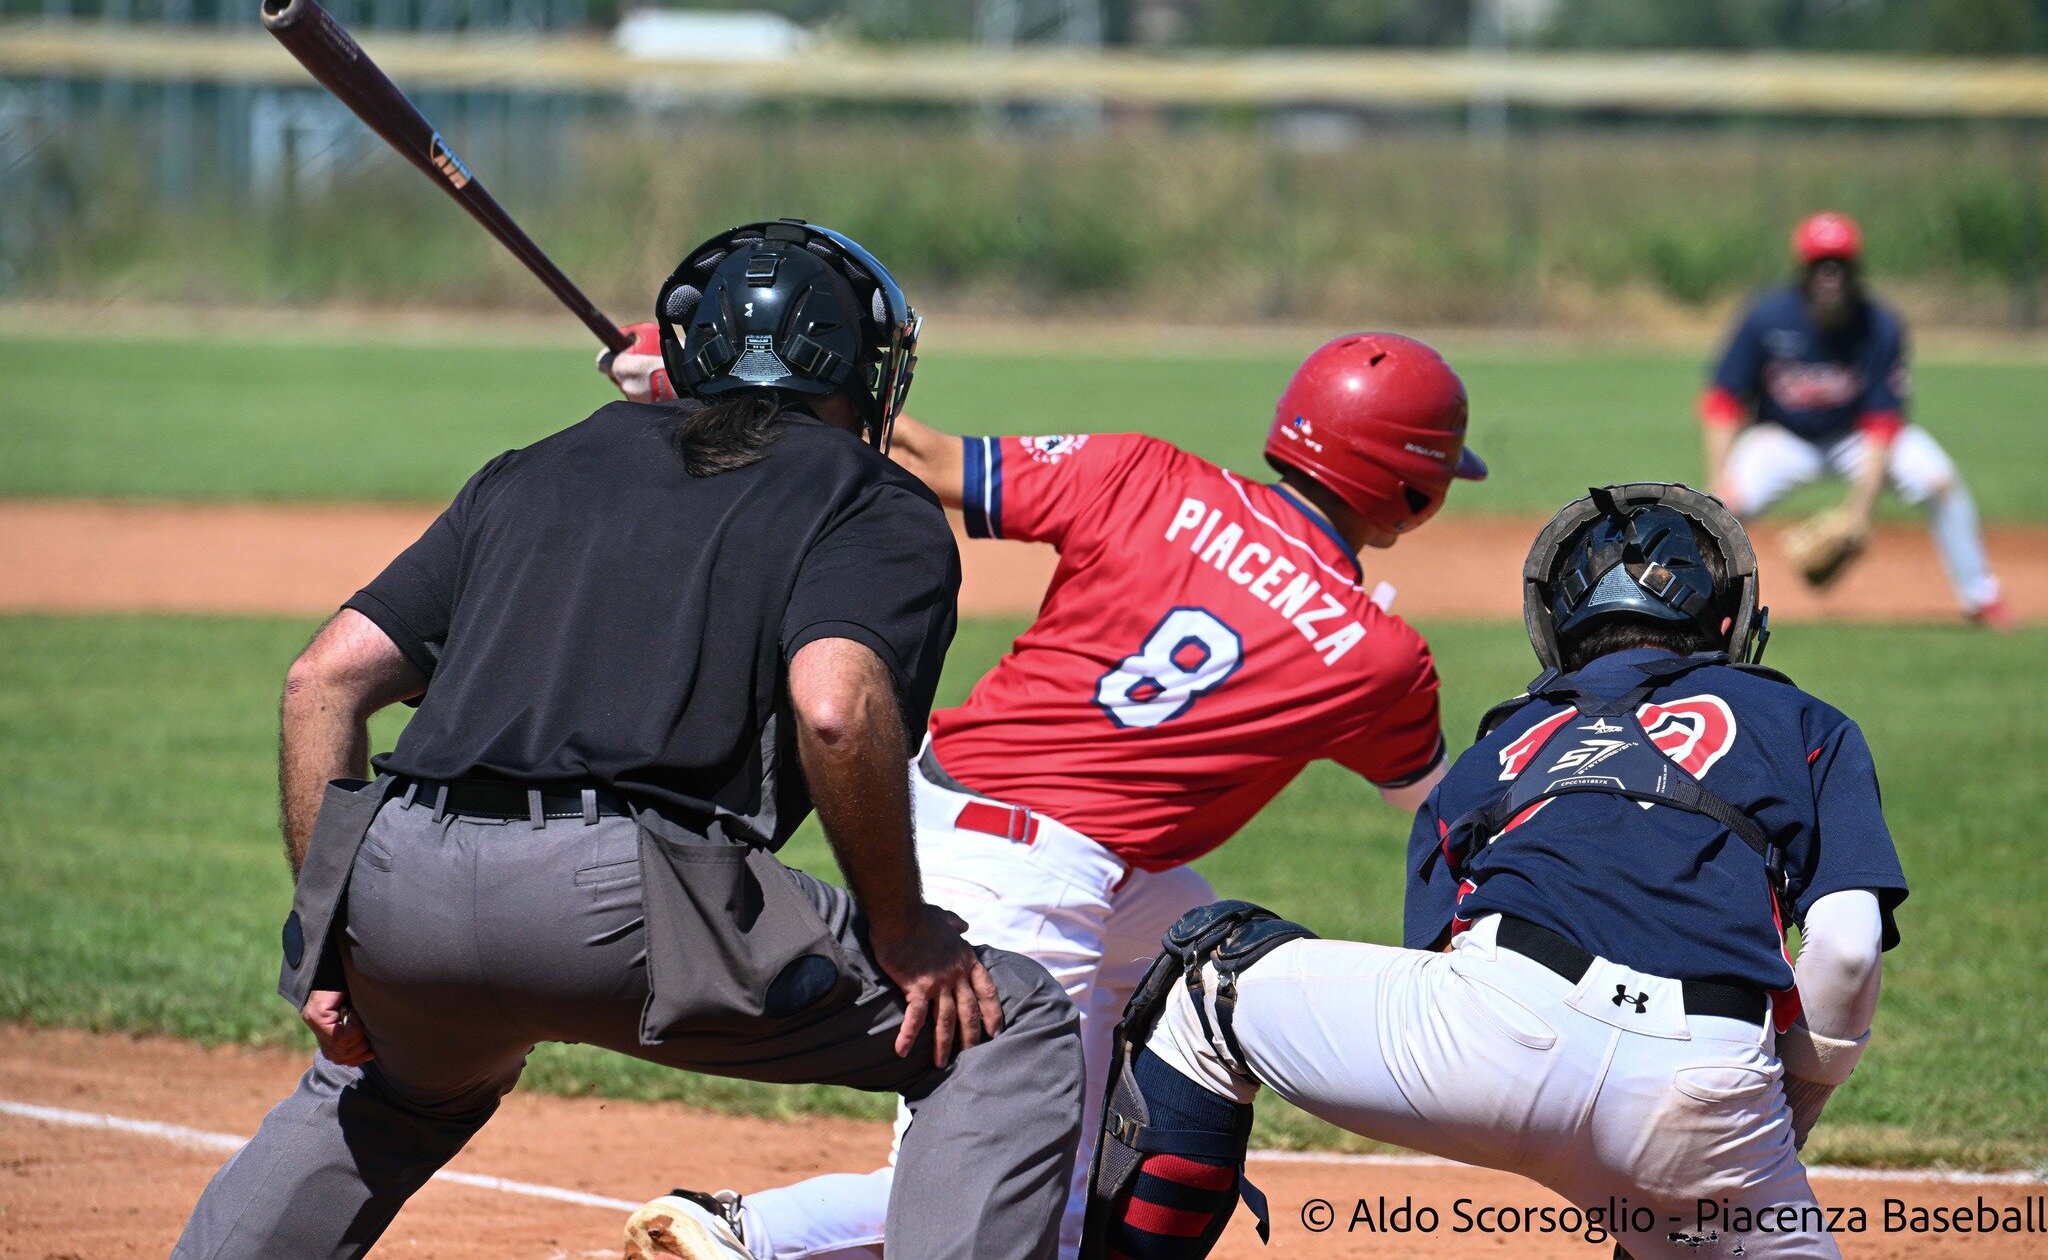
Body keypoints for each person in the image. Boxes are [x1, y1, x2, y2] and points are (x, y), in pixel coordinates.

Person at [171, 221, 1084, 1260]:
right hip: (630, 908)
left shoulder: (540, 465)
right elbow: (834, 707)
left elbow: (321, 680)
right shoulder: (868, 498)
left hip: (399, 889)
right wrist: (905, 929)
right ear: (866, 372)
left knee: (386, 1084)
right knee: (1003, 1026)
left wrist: (331, 937)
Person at [610, 331, 1486, 1260]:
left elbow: (921, 452)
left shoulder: (1146, 473)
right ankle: (746, 1233)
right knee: (1022, 1193)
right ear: (1412, 492)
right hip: (1027, 876)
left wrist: (702, 379)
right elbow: (1428, 796)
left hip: (971, 816)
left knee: (1196, 961)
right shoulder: (1379, 657)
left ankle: (1136, 1142)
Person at [1081, 483, 1906, 1260]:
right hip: (1708, 1085)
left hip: (1495, 1035)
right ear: (1730, 623)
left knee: (1207, 985)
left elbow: (1439, 954)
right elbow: (1845, 950)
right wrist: (1778, 1113)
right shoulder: (1803, 719)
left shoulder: (1499, 745)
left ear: (1556, 626)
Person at [1701, 210, 2008, 626]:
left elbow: (1883, 422)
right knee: (1721, 508)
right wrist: (1721, 476)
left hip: (1854, 437)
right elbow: (1723, 400)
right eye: (1820, 263)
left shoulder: (1879, 326)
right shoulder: (1766, 318)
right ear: (1803, 269)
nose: (1830, 274)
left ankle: (1982, 597)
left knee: (1939, 480)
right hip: (1782, 437)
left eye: (1839, 263)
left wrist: (1859, 513)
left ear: (1854, 267)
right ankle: (1697, 613)